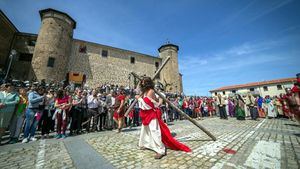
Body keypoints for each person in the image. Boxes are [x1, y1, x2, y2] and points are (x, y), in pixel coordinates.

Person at [137, 77, 191, 159]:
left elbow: (148, 103)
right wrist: (140, 97)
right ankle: (145, 144)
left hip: (151, 113)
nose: (142, 83)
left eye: (143, 82)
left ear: (147, 83)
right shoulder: (144, 91)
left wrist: (140, 99)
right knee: (145, 130)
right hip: (145, 114)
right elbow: (145, 100)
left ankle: (161, 150)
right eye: (141, 82)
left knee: (154, 131)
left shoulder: (151, 91)